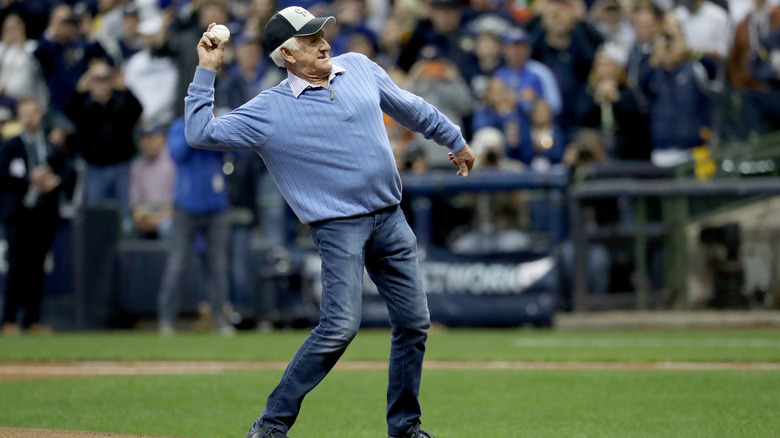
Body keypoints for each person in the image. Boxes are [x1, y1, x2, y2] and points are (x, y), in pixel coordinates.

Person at [184, 7, 475, 438]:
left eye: (322, 33)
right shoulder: (268, 109)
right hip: (339, 228)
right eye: (310, 39)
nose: (323, 43)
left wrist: (453, 137)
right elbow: (199, 133)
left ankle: (405, 427)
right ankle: (270, 425)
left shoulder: (357, 66)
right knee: (339, 327)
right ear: (286, 53)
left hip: (390, 218)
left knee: (414, 323)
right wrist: (206, 70)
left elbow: (410, 107)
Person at [0, 98, 72, 335]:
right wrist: (29, 179)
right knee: (16, 266)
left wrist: (55, 181)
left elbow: (67, 172)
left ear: (40, 115)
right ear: (19, 117)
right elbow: (3, 175)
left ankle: (32, 320)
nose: (29, 118)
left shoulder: (50, 144)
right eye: (25, 113)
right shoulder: (11, 145)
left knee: (37, 267)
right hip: (19, 212)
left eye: (33, 113)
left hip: (43, 213)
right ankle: (9, 320)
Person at [157, 116, 234, 336]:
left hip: (217, 206)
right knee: (177, 264)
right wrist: (198, 127)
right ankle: (166, 320)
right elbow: (177, 154)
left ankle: (220, 320)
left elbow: (238, 150)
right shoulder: (180, 126)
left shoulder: (217, 122)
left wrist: (217, 125)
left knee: (218, 266)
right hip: (186, 207)